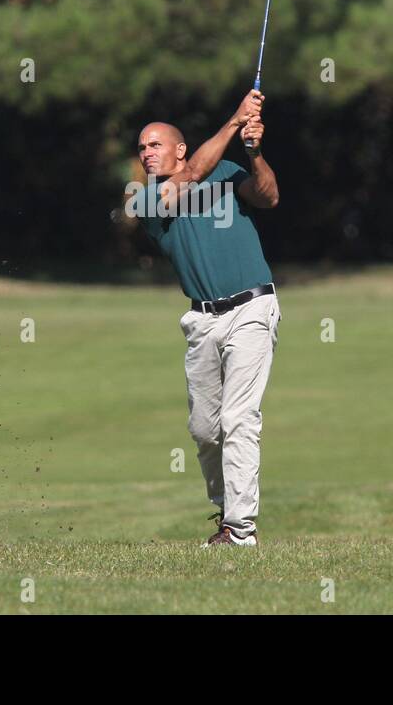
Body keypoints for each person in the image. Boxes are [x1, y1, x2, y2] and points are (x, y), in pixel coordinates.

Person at [133, 89, 281, 547]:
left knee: (239, 418)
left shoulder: (225, 170)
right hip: (202, 322)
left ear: (178, 147)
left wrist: (254, 154)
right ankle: (226, 509)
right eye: (141, 148)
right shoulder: (148, 200)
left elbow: (268, 196)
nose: (146, 154)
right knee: (204, 430)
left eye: (154, 145)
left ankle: (240, 529)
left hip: (253, 308)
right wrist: (236, 121)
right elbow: (194, 173)